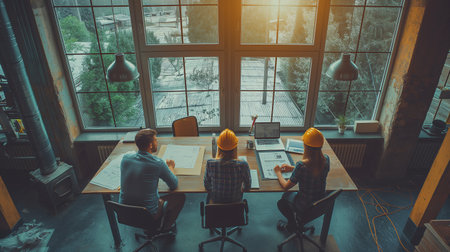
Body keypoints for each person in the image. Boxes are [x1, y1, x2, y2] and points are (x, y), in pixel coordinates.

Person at [119, 128, 185, 232]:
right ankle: (166, 227)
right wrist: (171, 167)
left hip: (125, 212)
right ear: (150, 145)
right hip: (148, 215)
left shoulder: (126, 158)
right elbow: (173, 184)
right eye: (155, 140)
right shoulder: (157, 163)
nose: (157, 142)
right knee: (180, 197)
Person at [273, 127, 330, 231]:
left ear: (306, 147)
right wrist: (292, 168)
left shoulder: (301, 166)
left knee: (283, 200)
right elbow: (313, 168)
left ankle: (292, 225)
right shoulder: (326, 160)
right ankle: (297, 223)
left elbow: (286, 186)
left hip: (304, 205)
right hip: (320, 203)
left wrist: (278, 173)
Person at [204, 129, 251, 203]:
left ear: (218, 147)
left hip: (216, 204)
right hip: (236, 204)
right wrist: (241, 186)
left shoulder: (210, 164)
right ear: (235, 148)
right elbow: (247, 187)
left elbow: (207, 186)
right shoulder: (243, 165)